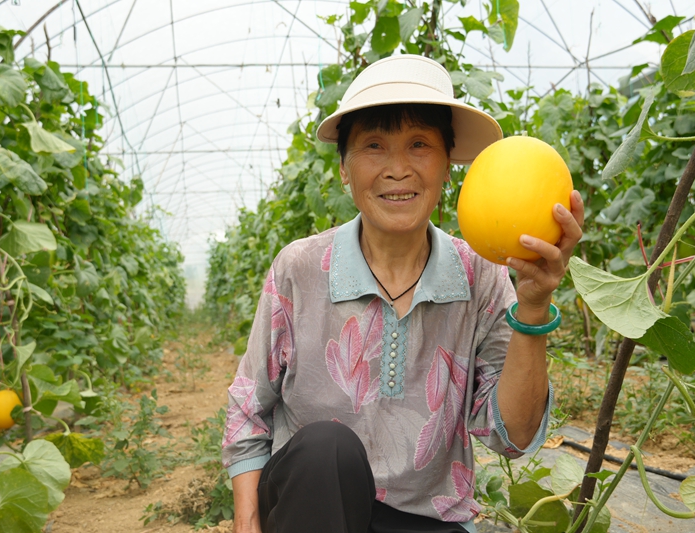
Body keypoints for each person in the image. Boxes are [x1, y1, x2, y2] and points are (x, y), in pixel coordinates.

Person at [222, 54, 584, 533]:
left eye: (419, 145)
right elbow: (248, 414)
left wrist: (533, 307)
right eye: (374, 145)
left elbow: (511, 436)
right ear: (344, 170)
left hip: (425, 519)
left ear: (448, 166)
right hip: (311, 508)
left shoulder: (481, 276)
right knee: (327, 450)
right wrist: (248, 525)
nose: (398, 168)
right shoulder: (300, 269)